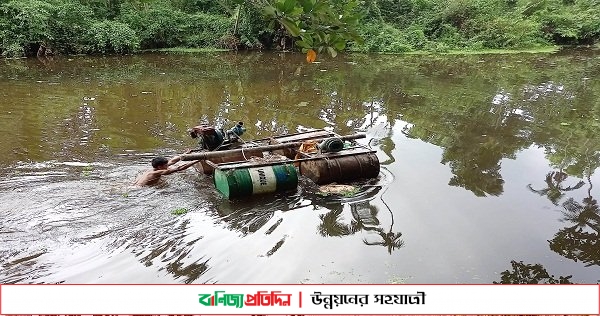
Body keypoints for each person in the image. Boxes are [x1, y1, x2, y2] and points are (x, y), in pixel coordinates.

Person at [134, 154, 199, 186]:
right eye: (166, 165)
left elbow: (172, 161)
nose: (167, 166)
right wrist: (197, 160)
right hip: (139, 189)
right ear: (159, 167)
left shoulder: (153, 169)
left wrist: (186, 154)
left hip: (134, 185)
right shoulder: (156, 173)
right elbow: (179, 168)